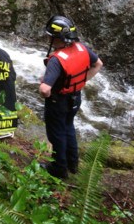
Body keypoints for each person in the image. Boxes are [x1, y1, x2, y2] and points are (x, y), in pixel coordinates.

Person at [39, 15, 103, 179]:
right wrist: (82, 81)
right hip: (75, 97)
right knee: (68, 127)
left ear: (56, 38)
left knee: (57, 134)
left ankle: (59, 168)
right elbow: (98, 64)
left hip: (58, 101)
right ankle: (73, 164)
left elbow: (46, 90)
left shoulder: (56, 60)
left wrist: (42, 86)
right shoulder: (82, 48)